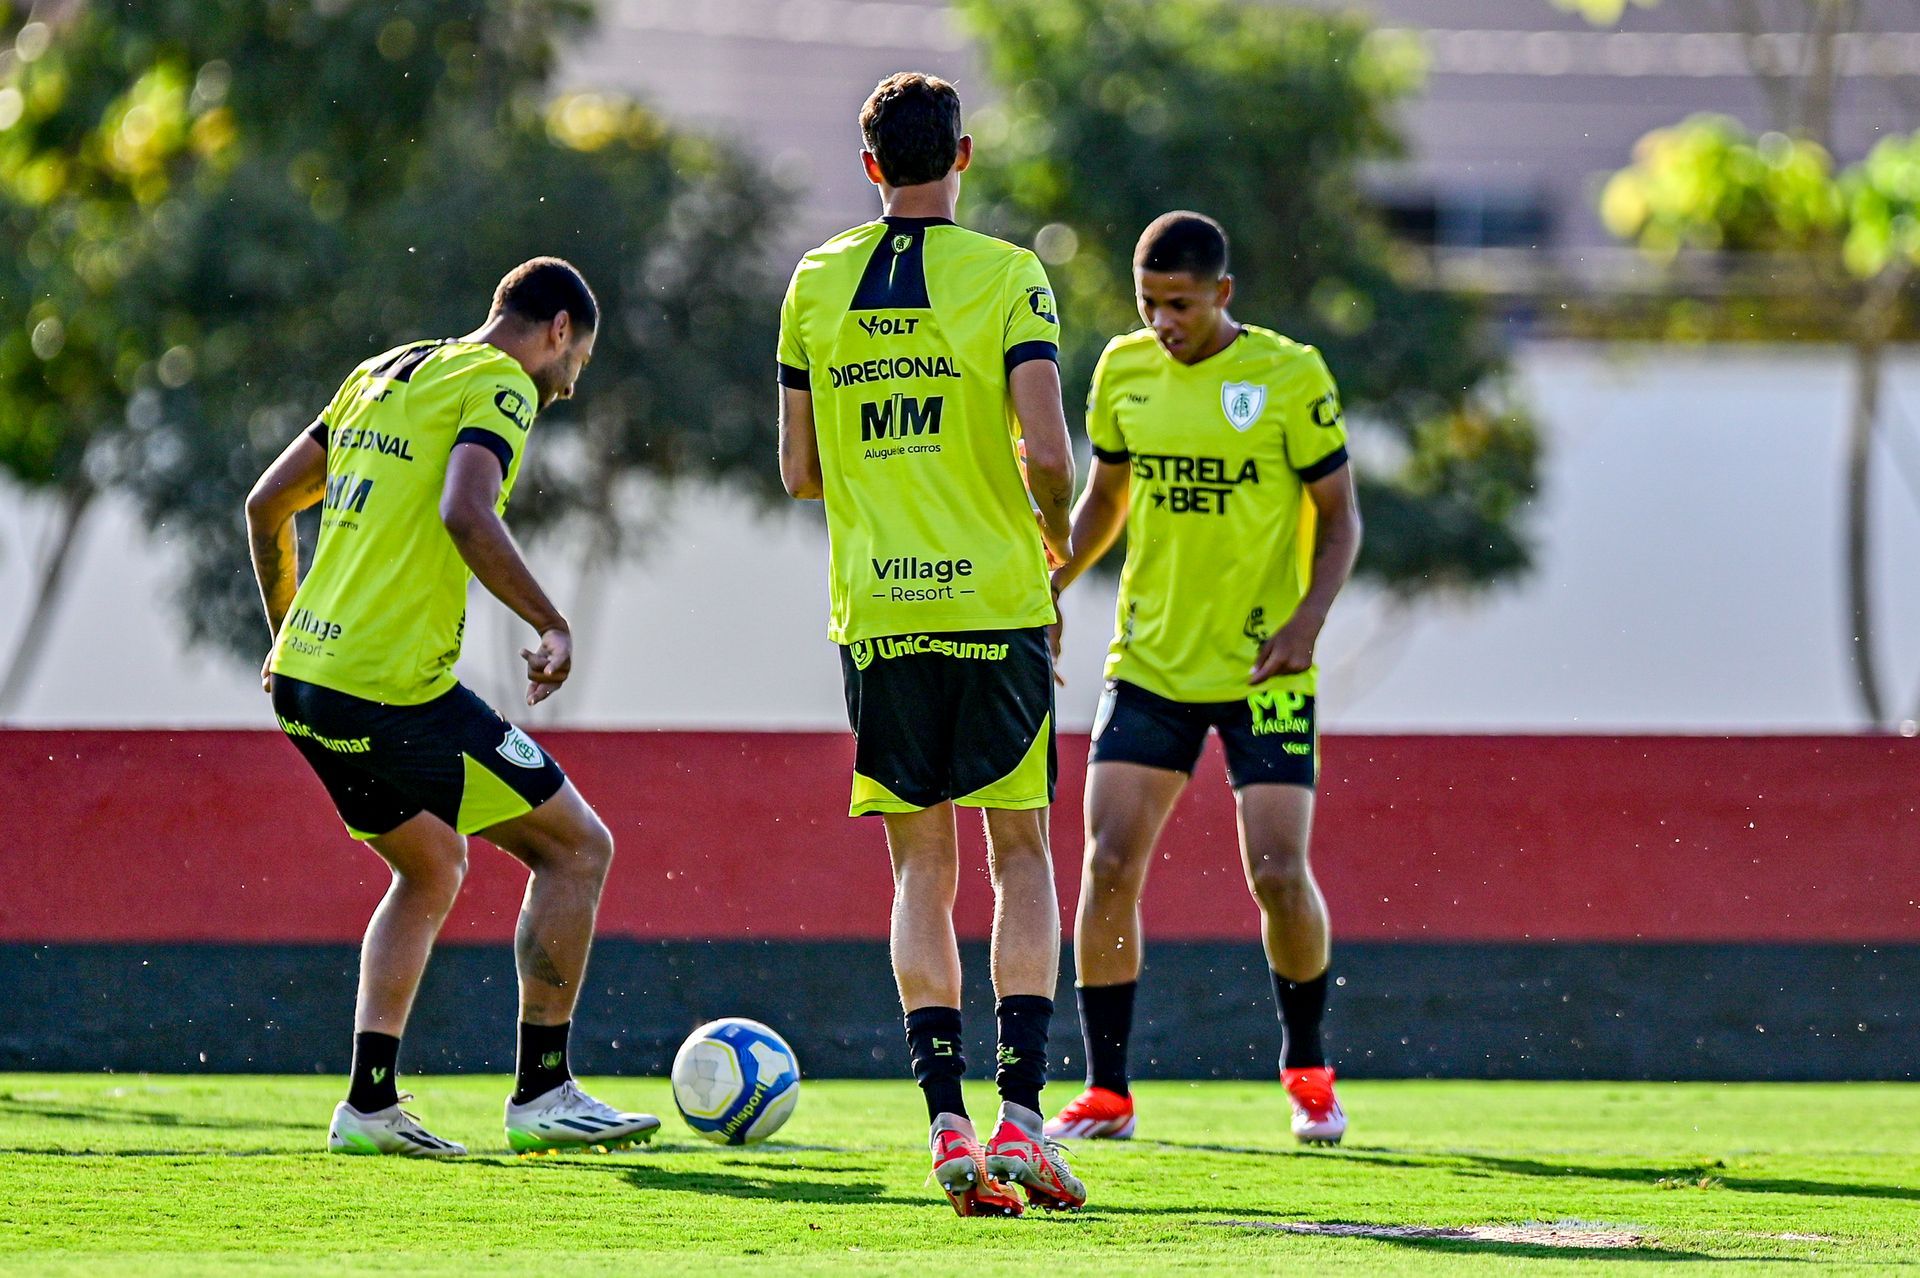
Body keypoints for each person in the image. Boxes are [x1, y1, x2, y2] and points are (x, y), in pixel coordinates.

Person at [243, 257, 659, 1157]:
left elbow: (267, 503)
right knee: (579, 848)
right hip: (391, 688)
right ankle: (544, 1094)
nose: (568, 384)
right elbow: (467, 512)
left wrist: (289, 632)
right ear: (556, 331)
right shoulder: (501, 382)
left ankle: (369, 1105)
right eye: (577, 362)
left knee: (429, 867)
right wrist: (552, 621)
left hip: (307, 684)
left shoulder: (383, 370)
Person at [776, 72, 1085, 1215]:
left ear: (869, 168)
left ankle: (946, 1127)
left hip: (879, 611)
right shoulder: (1010, 276)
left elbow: (800, 472)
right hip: (997, 606)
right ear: (964, 156)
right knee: (1022, 855)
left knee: (920, 866)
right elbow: (1050, 455)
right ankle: (1022, 1118)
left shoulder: (814, 283)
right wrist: (1051, 540)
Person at [1043, 213, 1362, 1145]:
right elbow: (1106, 498)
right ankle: (1107, 1092)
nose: (1161, 322)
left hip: (1266, 666)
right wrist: (1053, 580)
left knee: (1276, 872)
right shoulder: (1122, 371)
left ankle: (1309, 1071)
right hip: (1150, 663)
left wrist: (1308, 622)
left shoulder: (1289, 376)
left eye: (1177, 304)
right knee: (1106, 864)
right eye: (1147, 304)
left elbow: (1339, 518)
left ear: (1223, 294)